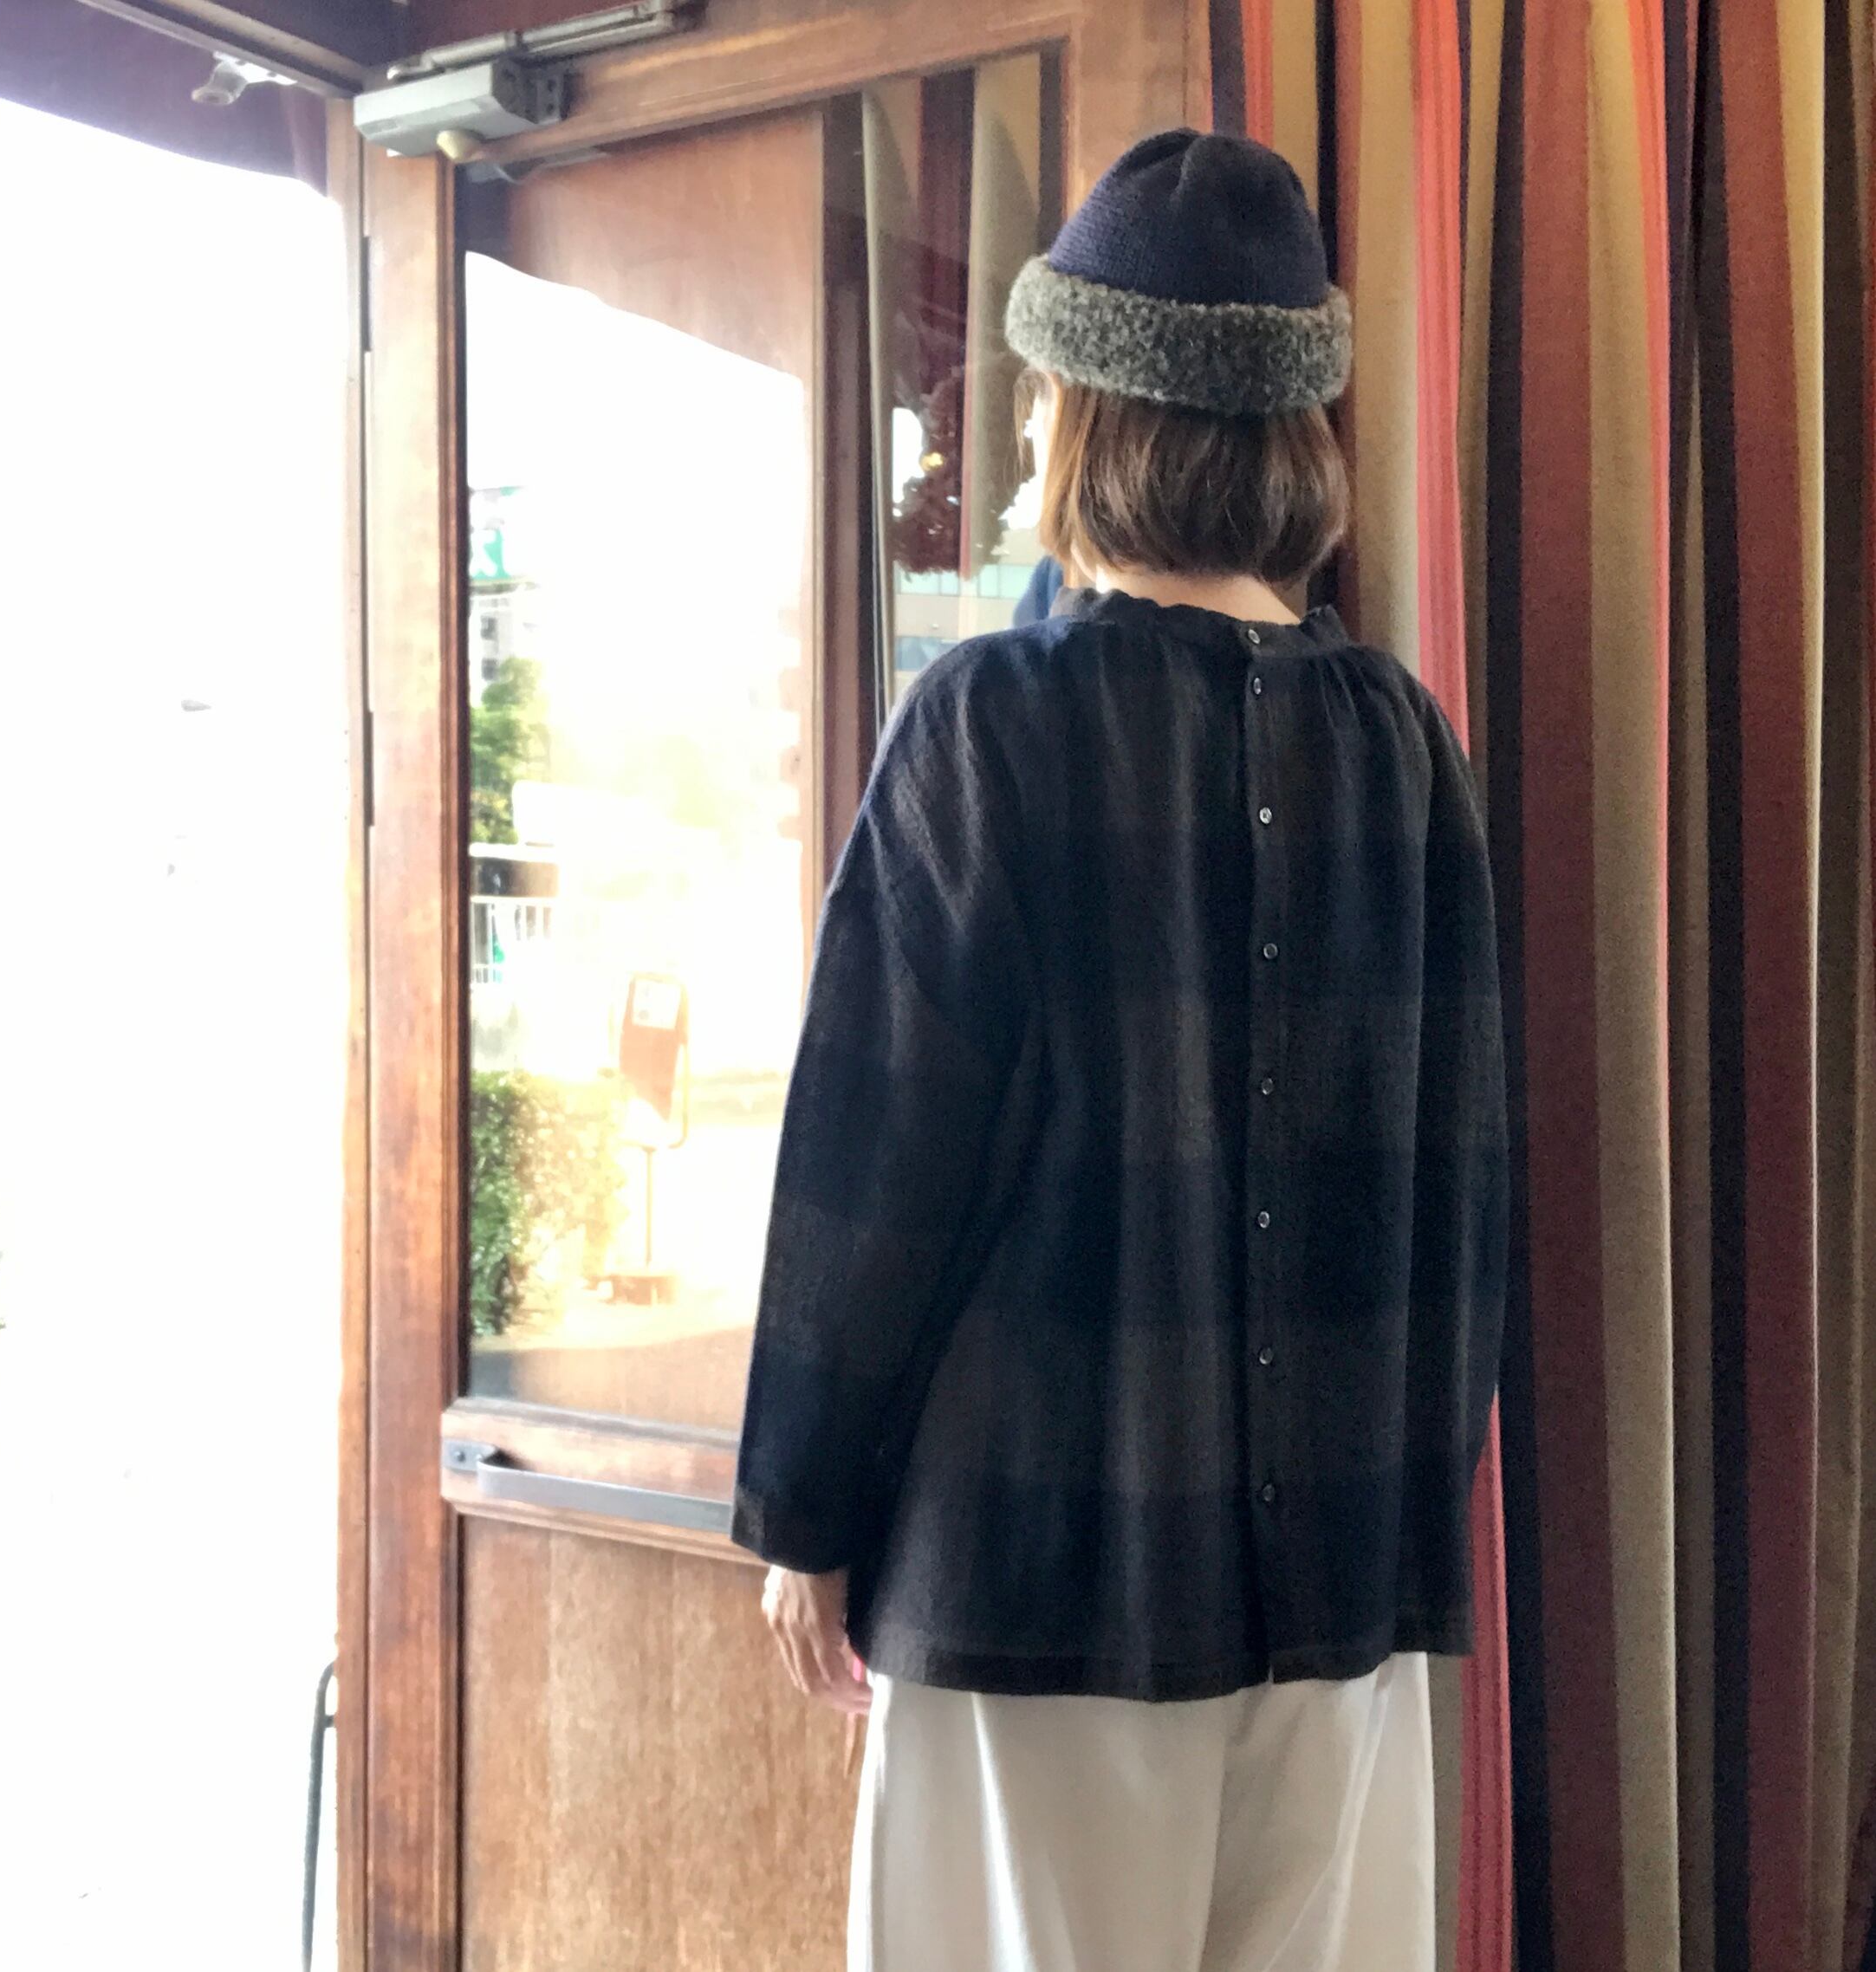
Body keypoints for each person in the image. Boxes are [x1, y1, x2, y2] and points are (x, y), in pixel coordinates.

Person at [732, 128, 1507, 1972]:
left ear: (1083, 411)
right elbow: (1462, 1198)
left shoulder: (988, 724)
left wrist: (803, 1508)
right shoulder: (1404, 744)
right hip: (1341, 1593)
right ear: (1291, 430)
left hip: (1038, 1574)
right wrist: (1403, 1512)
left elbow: (875, 1155)